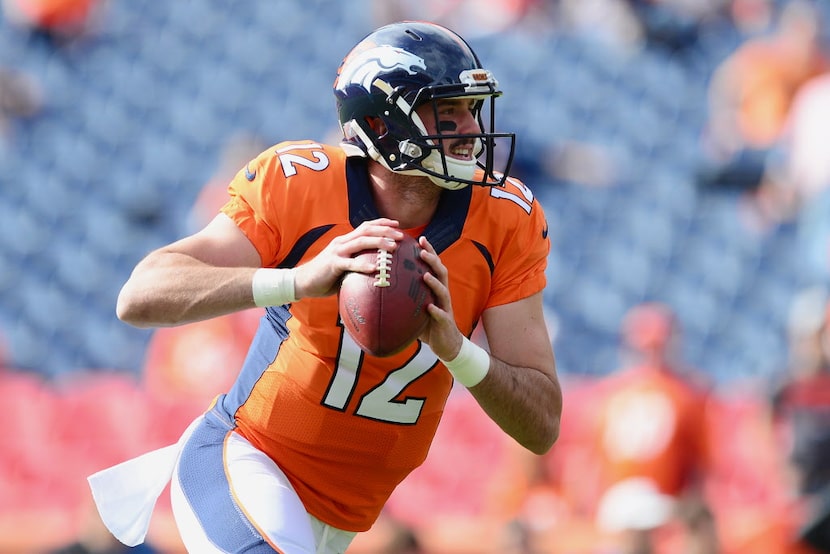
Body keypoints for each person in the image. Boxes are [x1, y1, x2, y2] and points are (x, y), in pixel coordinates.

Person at [88, 21, 562, 554]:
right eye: (447, 112)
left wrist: (456, 350)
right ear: (383, 124)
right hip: (247, 461)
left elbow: (541, 424)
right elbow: (140, 295)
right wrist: (299, 280)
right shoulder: (300, 183)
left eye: (472, 111)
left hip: (343, 521)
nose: (472, 131)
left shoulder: (506, 220)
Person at [588, 303, 718, 554]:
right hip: (658, 504)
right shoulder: (687, 395)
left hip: (635, 505)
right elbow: (700, 470)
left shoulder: (610, 395)